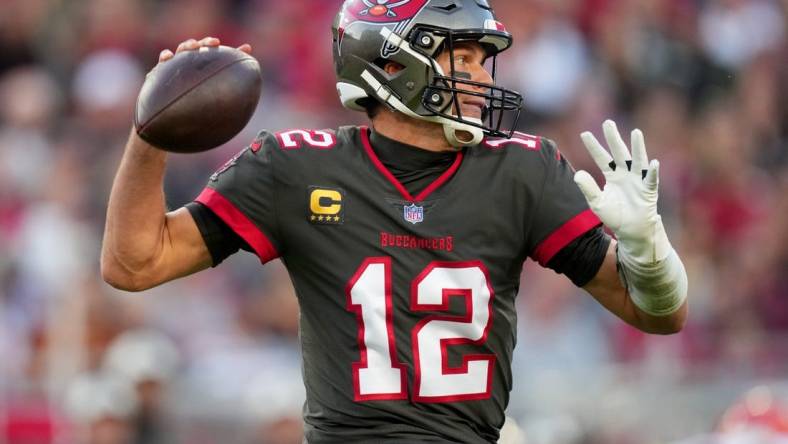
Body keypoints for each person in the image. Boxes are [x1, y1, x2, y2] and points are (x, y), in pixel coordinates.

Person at [101, 1, 689, 442]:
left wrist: (647, 250)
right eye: (461, 57)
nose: (482, 77)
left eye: (483, 60)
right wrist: (152, 132)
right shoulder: (294, 166)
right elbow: (135, 263)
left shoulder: (522, 170)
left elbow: (656, 315)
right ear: (393, 64)